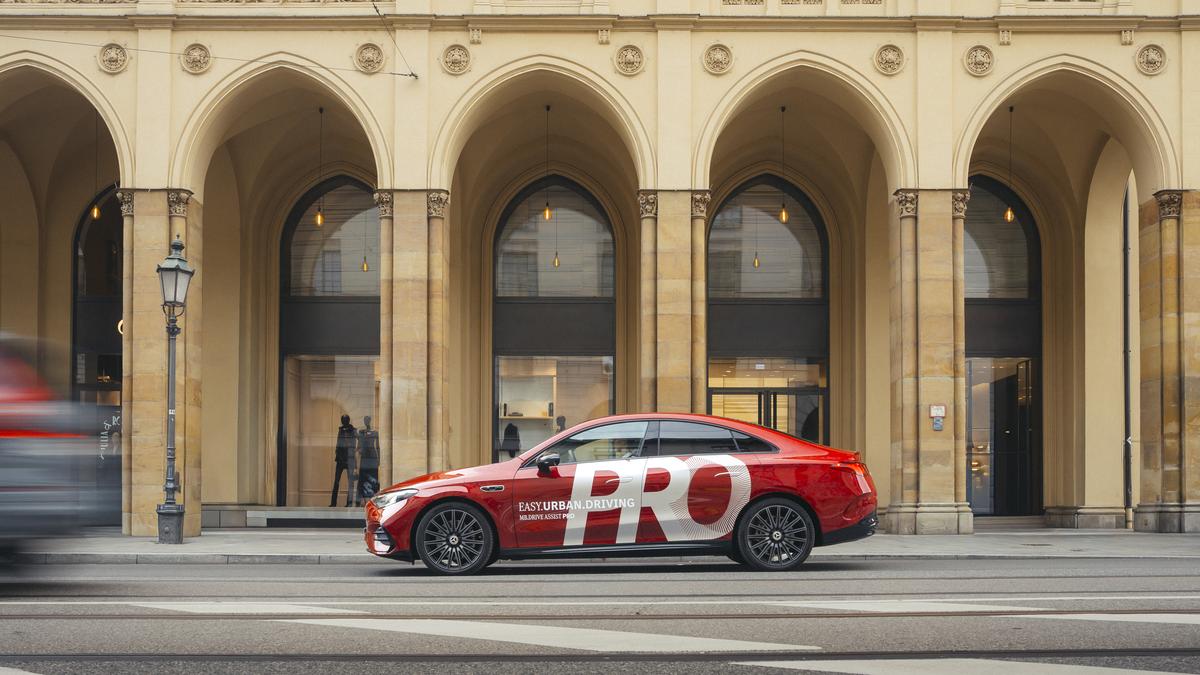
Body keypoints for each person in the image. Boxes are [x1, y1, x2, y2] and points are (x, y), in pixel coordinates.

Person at [329, 414, 357, 507]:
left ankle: (349, 503)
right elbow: (338, 443)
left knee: (350, 483)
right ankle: (333, 503)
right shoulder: (340, 430)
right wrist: (337, 453)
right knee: (336, 481)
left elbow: (355, 443)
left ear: (348, 420)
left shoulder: (353, 430)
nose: (343, 421)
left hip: (349, 459)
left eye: (345, 420)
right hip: (340, 459)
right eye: (342, 420)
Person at [356, 416, 380, 506]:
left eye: (367, 420)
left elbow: (378, 447)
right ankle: (362, 500)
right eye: (365, 420)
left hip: (372, 456)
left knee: (373, 477)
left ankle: (374, 500)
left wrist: (379, 459)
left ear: (370, 421)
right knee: (363, 477)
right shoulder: (361, 433)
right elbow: (359, 447)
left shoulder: (375, 433)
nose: (366, 421)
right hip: (364, 457)